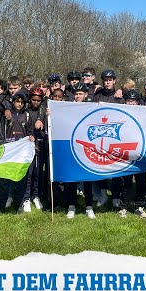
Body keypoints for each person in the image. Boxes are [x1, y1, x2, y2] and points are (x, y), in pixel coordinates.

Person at [61, 82, 96, 219]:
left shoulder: (91, 108)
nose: (78, 96)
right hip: (72, 146)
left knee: (87, 178)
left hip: (86, 146)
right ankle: (72, 206)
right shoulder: (68, 108)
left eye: (80, 93)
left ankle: (89, 206)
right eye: (76, 94)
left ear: (86, 95)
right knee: (72, 179)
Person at [113, 89, 146, 219]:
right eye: (129, 101)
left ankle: (139, 206)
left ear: (138, 103)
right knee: (126, 181)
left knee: (141, 181)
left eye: (133, 101)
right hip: (126, 153)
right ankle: (123, 206)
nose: (131, 103)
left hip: (140, 152)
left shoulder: (144, 116)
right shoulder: (120, 115)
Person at [0, 93, 35, 213]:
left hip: (22, 152)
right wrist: (2, 145)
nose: (19, 104)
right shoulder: (6, 115)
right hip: (8, 151)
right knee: (4, 179)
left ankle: (19, 205)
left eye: (22, 102)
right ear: (13, 102)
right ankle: (1, 207)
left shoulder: (27, 115)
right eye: (17, 102)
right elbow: (2, 132)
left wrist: (32, 136)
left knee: (21, 179)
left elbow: (30, 131)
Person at [93, 69, 124, 207]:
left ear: (114, 81)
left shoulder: (120, 96)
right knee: (101, 168)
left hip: (116, 137)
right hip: (101, 138)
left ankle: (116, 196)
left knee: (116, 167)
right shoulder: (97, 95)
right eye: (105, 80)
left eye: (110, 80)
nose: (107, 82)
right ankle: (103, 194)